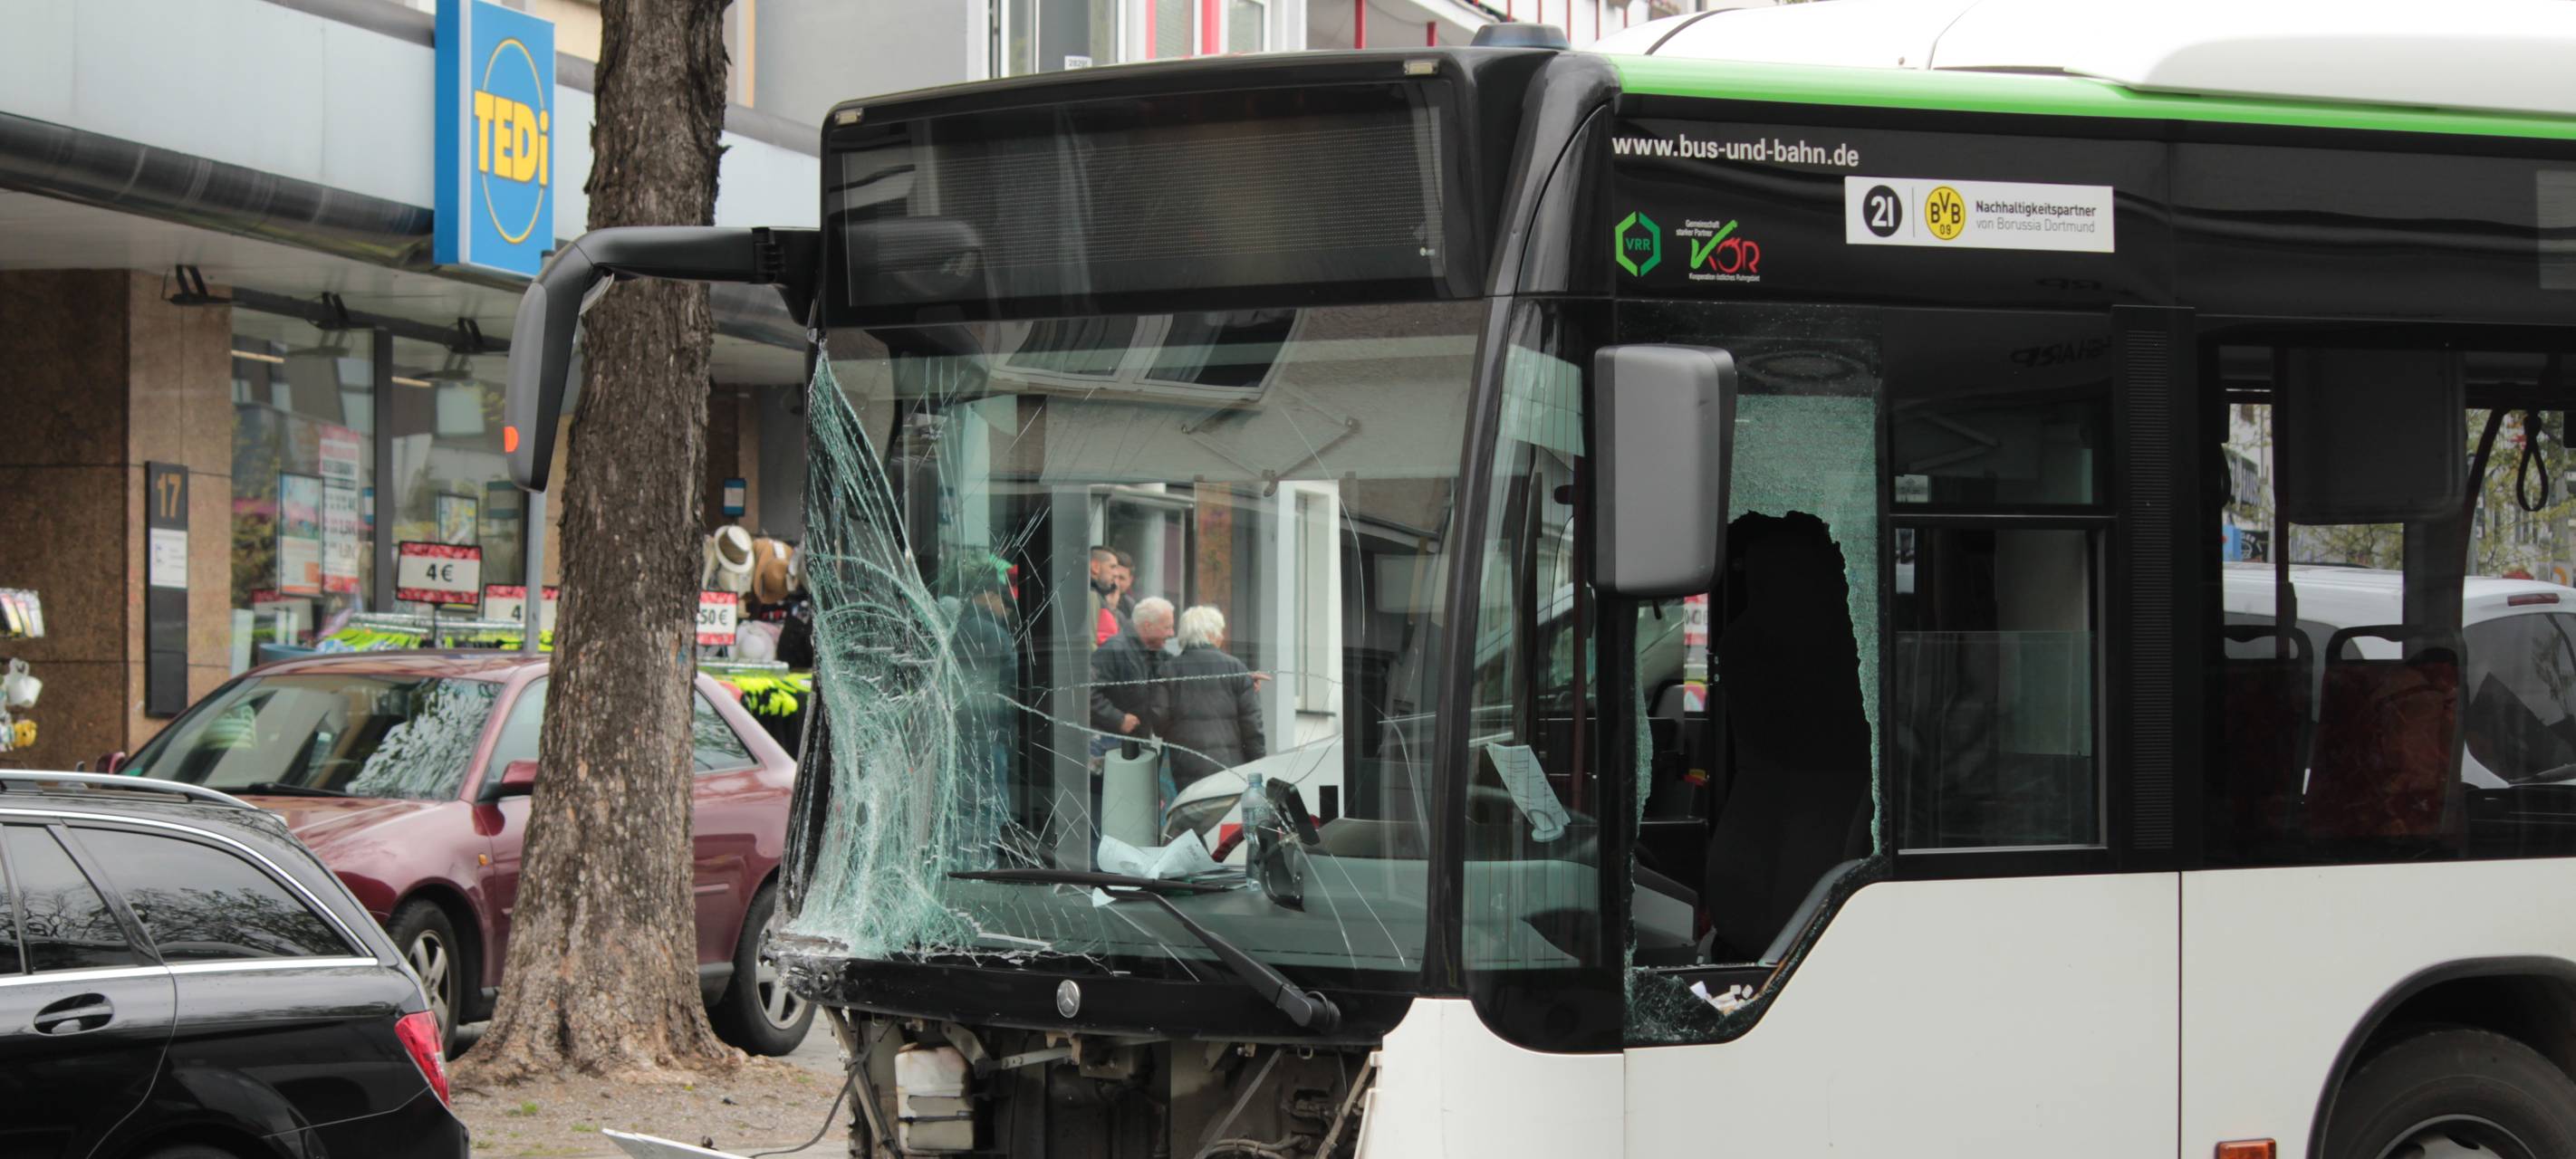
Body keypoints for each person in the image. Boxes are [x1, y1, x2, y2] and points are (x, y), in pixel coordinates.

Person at [1158, 605, 1265, 790]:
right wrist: (1259, 766)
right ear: (1211, 634)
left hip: (1184, 766)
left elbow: (1159, 722)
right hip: (1229, 768)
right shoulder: (1236, 669)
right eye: (1221, 632)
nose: (1223, 637)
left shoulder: (1168, 671)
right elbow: (1252, 726)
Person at [1091, 597, 1173, 755]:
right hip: (1113, 748)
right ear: (1148, 626)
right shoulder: (1114, 650)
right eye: (1167, 627)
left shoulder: (1157, 653)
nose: (1171, 633)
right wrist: (1117, 719)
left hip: (1140, 743)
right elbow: (1086, 693)